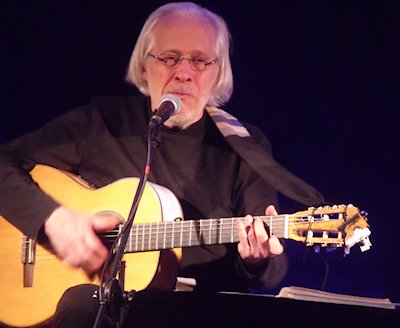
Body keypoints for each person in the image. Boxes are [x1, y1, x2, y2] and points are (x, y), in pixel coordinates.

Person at [0, 2, 323, 327]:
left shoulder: (244, 146)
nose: (183, 72)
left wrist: (257, 258)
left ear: (218, 73)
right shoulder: (101, 122)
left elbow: (270, 274)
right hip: (98, 313)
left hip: (197, 314)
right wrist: (51, 220)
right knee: (83, 302)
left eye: (200, 61)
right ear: (143, 67)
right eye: (169, 58)